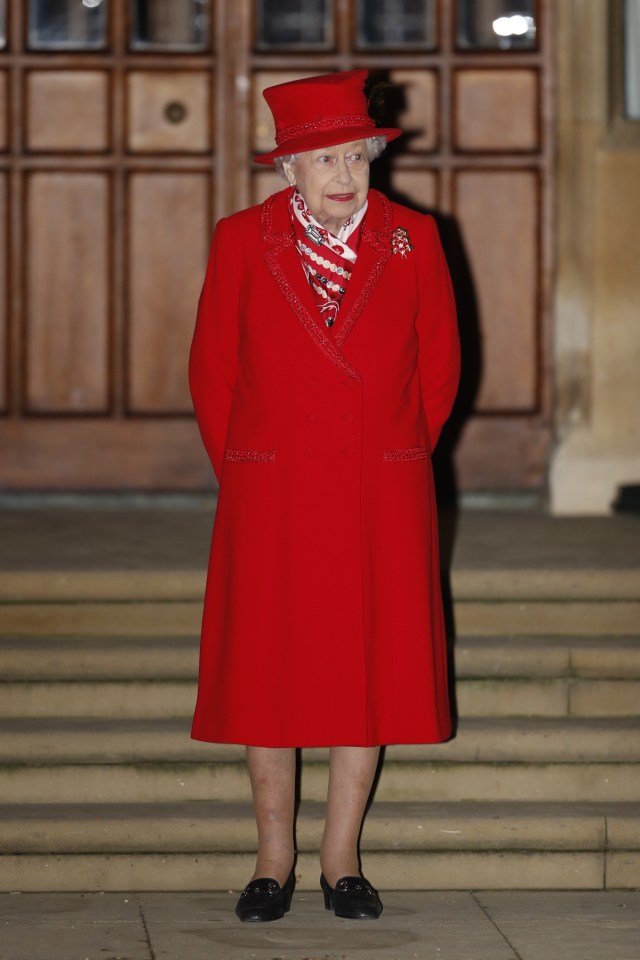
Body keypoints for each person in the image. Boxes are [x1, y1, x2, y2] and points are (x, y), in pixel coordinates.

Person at [189, 69, 460, 923]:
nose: (344, 174)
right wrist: (249, 468)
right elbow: (212, 369)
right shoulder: (242, 239)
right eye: (323, 158)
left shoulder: (414, 237)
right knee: (268, 672)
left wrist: (398, 453)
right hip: (273, 491)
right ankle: (273, 856)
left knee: (364, 670)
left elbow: (440, 367)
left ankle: (341, 858)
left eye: (357, 156)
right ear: (287, 170)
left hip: (379, 486)